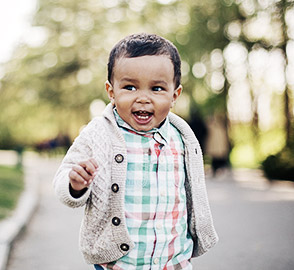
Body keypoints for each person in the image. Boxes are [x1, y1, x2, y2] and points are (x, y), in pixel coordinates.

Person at [53, 33, 218, 269]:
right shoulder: (99, 133)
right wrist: (74, 184)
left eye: (157, 88)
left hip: (173, 260)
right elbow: (64, 176)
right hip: (121, 262)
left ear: (174, 95)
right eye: (129, 87)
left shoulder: (182, 136)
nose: (142, 98)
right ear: (111, 91)